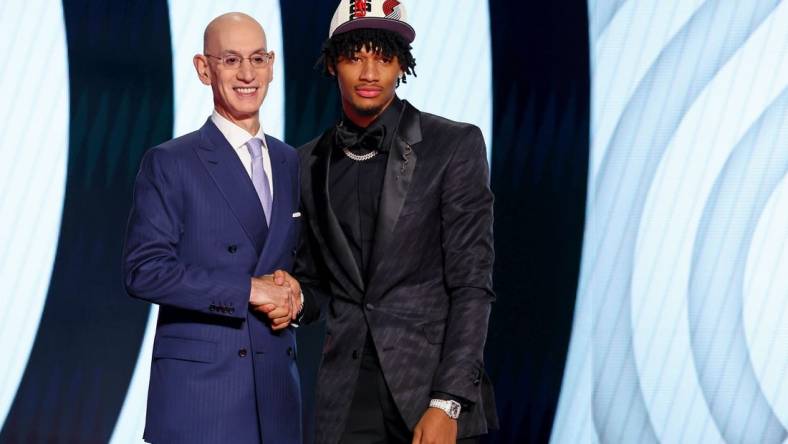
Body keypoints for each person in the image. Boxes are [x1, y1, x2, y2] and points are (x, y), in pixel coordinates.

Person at [290, 1, 499, 442]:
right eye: (355, 56)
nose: (369, 73)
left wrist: (449, 401)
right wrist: (288, 297)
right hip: (345, 401)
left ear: (402, 64)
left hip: (430, 394)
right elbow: (313, 282)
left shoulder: (453, 145)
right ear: (332, 64)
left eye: (383, 56)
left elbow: (472, 284)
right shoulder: (308, 161)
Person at [122, 12, 303, 444]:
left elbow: (301, 262)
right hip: (202, 399)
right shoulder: (171, 161)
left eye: (257, 59)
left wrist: (295, 292)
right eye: (231, 60)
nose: (247, 74)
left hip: (277, 394)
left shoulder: (290, 160)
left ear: (273, 65)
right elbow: (144, 270)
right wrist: (249, 289)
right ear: (204, 69)